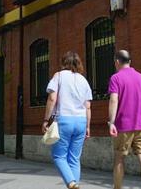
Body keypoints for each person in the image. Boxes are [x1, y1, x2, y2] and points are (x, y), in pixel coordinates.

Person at [42, 52, 93, 189]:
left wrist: (46, 120)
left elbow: (52, 98)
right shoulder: (83, 80)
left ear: (63, 62)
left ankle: (71, 183)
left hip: (64, 120)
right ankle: (74, 184)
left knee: (59, 156)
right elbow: (88, 106)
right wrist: (88, 126)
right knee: (74, 159)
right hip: (81, 121)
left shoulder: (58, 76)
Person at [108, 50, 141, 189]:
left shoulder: (115, 78)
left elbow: (113, 100)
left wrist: (111, 122)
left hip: (123, 125)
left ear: (117, 62)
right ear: (130, 61)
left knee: (119, 158)